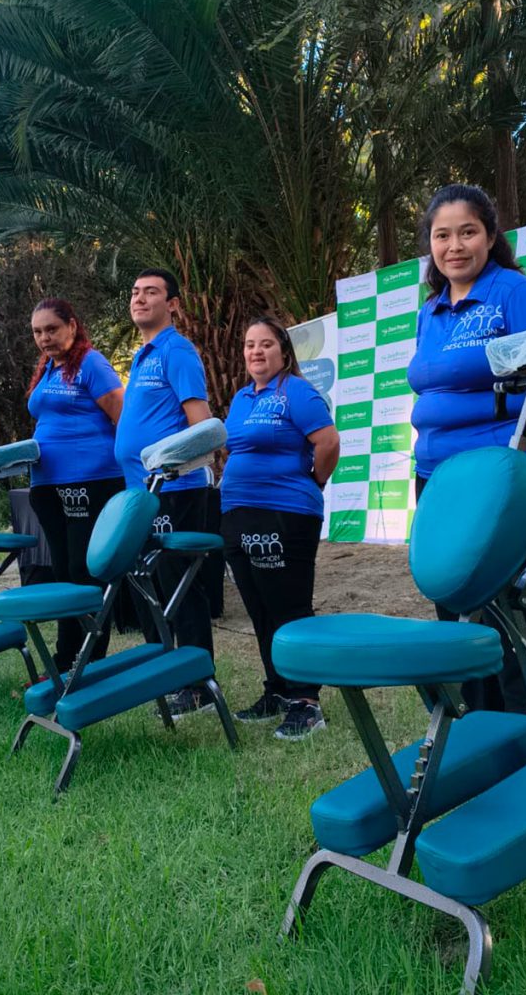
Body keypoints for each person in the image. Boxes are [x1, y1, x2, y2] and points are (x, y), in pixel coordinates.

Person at [407, 184, 526, 738]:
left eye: (467, 232)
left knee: (520, 619)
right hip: (438, 481)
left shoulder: (514, 293)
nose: (454, 246)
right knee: (461, 616)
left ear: (489, 236)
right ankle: (483, 742)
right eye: (442, 235)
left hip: (506, 481)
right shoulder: (430, 311)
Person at [220, 317, 340, 740]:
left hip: (285, 513)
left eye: (266, 344)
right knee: (259, 609)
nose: (256, 352)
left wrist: (313, 482)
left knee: (289, 607)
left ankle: (306, 701)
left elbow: (328, 443)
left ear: (284, 352)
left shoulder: (297, 392)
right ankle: (277, 691)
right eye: (250, 345)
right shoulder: (240, 398)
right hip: (237, 513)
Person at [113, 269, 215, 718]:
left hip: (175, 490)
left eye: (151, 292)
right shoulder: (142, 355)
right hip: (141, 493)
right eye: (135, 292)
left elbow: (202, 425)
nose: (139, 298)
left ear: (172, 303)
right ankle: (163, 673)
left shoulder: (177, 351)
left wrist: (175, 469)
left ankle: (198, 688)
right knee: (154, 587)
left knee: (181, 588)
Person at [26, 298, 125, 670]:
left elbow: (122, 417)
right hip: (48, 485)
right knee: (65, 575)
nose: (44, 338)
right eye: (38, 332)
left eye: (51, 329)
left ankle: (87, 663)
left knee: (85, 575)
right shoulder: (50, 369)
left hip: (92, 481)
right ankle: (65, 660)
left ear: (72, 325)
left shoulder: (91, 363)